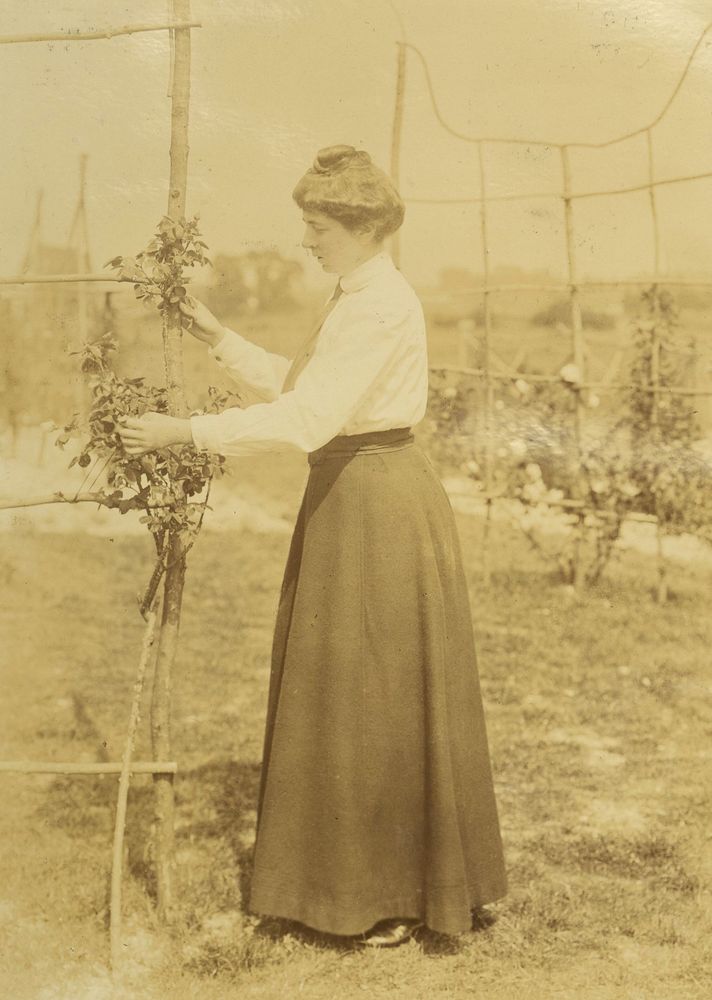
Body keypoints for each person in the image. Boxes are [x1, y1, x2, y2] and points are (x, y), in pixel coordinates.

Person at [118, 144, 507, 947]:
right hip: (352, 496)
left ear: (363, 227)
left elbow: (307, 420)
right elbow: (308, 386)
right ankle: (356, 885)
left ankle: (389, 894)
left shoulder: (379, 304)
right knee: (355, 690)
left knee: (375, 692)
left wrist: (186, 432)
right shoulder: (353, 294)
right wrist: (219, 337)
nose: (307, 240)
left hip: (376, 502)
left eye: (318, 225)